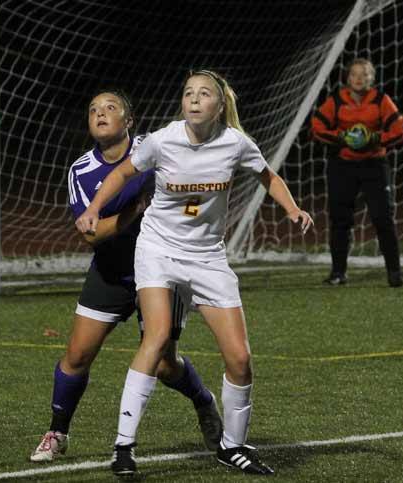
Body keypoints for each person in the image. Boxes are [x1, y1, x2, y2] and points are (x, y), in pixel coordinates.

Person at [76, 70, 313, 476]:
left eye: (204, 94)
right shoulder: (163, 140)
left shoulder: (235, 143)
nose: (195, 99)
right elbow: (122, 173)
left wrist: (292, 208)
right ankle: (123, 447)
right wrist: (95, 209)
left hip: (207, 258)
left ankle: (232, 446)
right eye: (189, 92)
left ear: (220, 106)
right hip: (159, 250)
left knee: (240, 358)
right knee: (157, 337)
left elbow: (266, 176)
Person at [30, 89, 223, 462]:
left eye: (110, 107)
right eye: (93, 110)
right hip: (112, 269)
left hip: (162, 269)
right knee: (77, 354)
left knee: (166, 364)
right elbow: (90, 235)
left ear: (129, 121)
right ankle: (57, 431)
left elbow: (196, 183)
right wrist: (135, 210)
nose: (100, 113)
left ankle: (203, 401)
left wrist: (192, 218)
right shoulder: (81, 171)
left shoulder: (157, 148)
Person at [311, 58, 403, 288]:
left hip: (374, 165)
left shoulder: (381, 100)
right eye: (354, 74)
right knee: (340, 220)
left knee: (383, 218)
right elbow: (317, 126)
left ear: (371, 79)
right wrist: (342, 137)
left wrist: (375, 138)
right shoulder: (336, 101)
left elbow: (399, 130)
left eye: (364, 75)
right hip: (342, 166)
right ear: (347, 78)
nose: (358, 78)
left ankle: (394, 274)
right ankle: (338, 273)